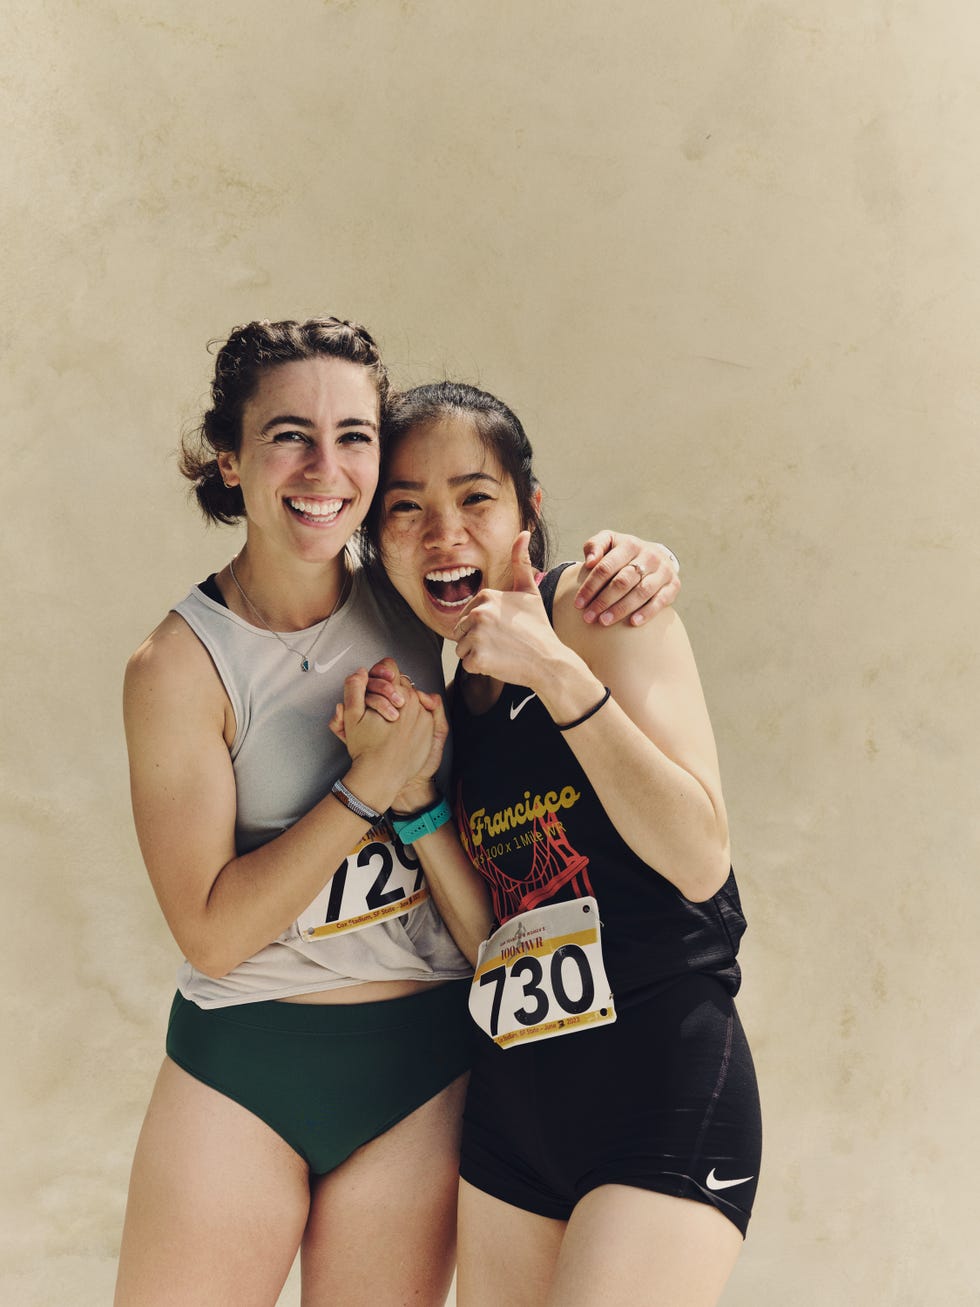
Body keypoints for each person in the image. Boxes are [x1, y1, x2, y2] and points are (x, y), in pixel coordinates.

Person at [114, 318, 681, 1307]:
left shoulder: (428, 602)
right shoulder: (176, 666)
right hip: (241, 1059)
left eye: (355, 435)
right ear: (227, 456)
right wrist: (362, 790)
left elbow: (522, 567)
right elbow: (211, 933)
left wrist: (634, 562)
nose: (324, 467)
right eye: (289, 433)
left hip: (423, 1066)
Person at [348, 381, 762, 1307]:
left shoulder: (597, 608)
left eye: (474, 497)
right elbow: (490, 939)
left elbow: (699, 857)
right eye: (406, 509)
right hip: (514, 1118)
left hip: (660, 1085)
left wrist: (554, 670)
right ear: (379, 543)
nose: (442, 532)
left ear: (530, 513)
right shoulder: (454, 704)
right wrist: (418, 807)